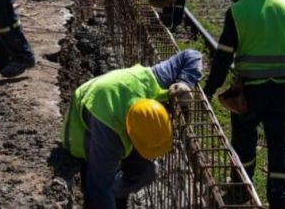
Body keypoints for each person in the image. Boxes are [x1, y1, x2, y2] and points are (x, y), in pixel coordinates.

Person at [203, 0, 285, 209]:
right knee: (279, 146)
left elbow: (223, 58)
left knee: (244, 140)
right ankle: (281, 199)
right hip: (282, 91)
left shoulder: (237, 11)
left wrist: (210, 90)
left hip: (250, 92)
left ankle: (242, 190)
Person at [63, 49, 203, 209]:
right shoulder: (111, 135)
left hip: (115, 101)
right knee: (99, 185)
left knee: (146, 171)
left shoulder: (158, 80)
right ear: (130, 135)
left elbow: (192, 55)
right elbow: (99, 188)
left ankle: (115, 191)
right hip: (83, 131)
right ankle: (110, 189)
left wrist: (185, 82)